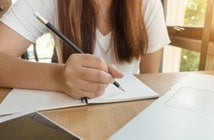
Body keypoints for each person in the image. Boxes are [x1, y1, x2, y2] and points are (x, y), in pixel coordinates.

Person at [0, 0, 170, 99]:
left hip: (127, 110)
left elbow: (150, 79)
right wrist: (57, 77)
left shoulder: (148, 4)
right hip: (69, 109)